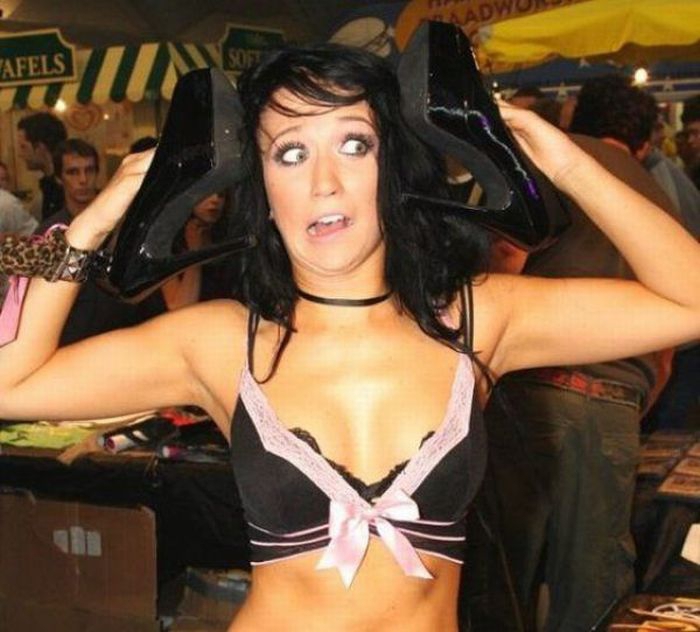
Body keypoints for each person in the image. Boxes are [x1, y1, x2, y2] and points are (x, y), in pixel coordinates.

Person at [0, 45, 699, 632]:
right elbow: (11, 385)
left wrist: (568, 163)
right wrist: (93, 224)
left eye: (354, 144)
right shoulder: (222, 344)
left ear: (391, 167)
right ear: (260, 190)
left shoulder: (476, 320)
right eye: (291, 153)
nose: (325, 183)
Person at [16, 112, 67, 220]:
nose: (20, 154)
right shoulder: (48, 185)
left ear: (40, 148)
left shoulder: (64, 186)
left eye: (23, 147)